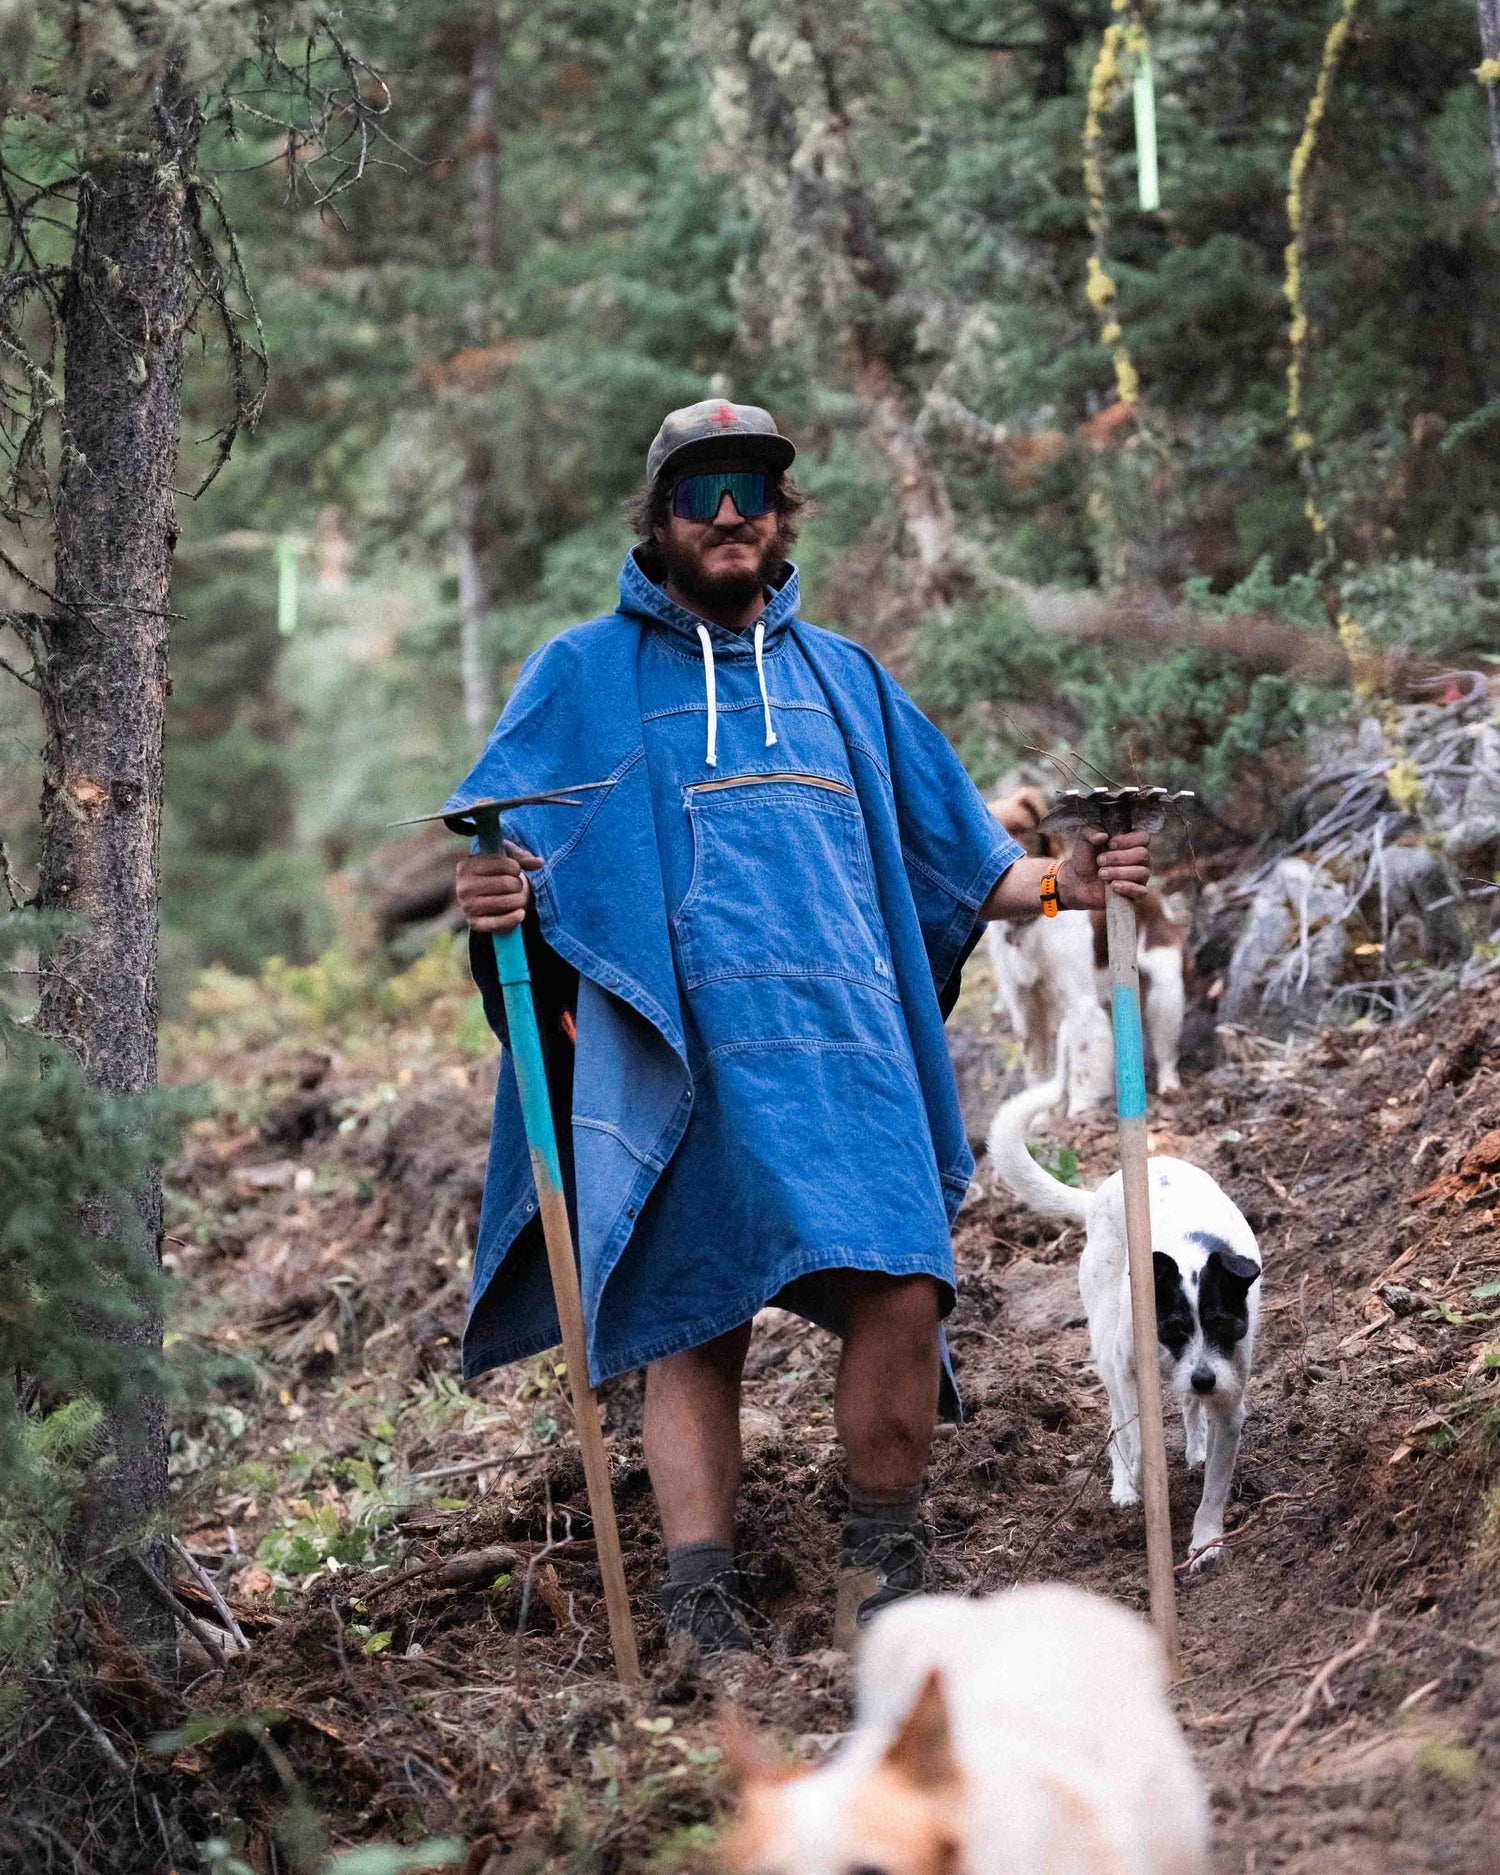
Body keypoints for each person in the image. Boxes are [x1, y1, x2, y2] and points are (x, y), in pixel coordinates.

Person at [448, 400, 1151, 1654]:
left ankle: (883, 1565)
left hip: (852, 1059)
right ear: (657, 521)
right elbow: (512, 865)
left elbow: (971, 867)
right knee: (692, 1324)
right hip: (682, 1065)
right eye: (700, 493)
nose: (730, 515)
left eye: (753, 490)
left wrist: (1070, 885)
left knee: (902, 1295)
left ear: (782, 516)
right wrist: (492, 902)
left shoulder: (846, 679)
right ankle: (700, 1596)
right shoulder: (580, 677)